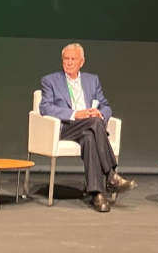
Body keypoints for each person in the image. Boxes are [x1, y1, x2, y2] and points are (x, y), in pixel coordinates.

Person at [39, 43, 136, 212]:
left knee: (90, 136)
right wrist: (75, 114)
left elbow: (105, 105)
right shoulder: (50, 80)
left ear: (81, 62)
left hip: (88, 129)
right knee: (95, 123)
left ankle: (97, 195)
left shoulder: (92, 80)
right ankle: (111, 175)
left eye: (73, 59)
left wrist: (100, 113)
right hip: (67, 128)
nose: (69, 63)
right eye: (66, 59)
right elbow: (45, 107)